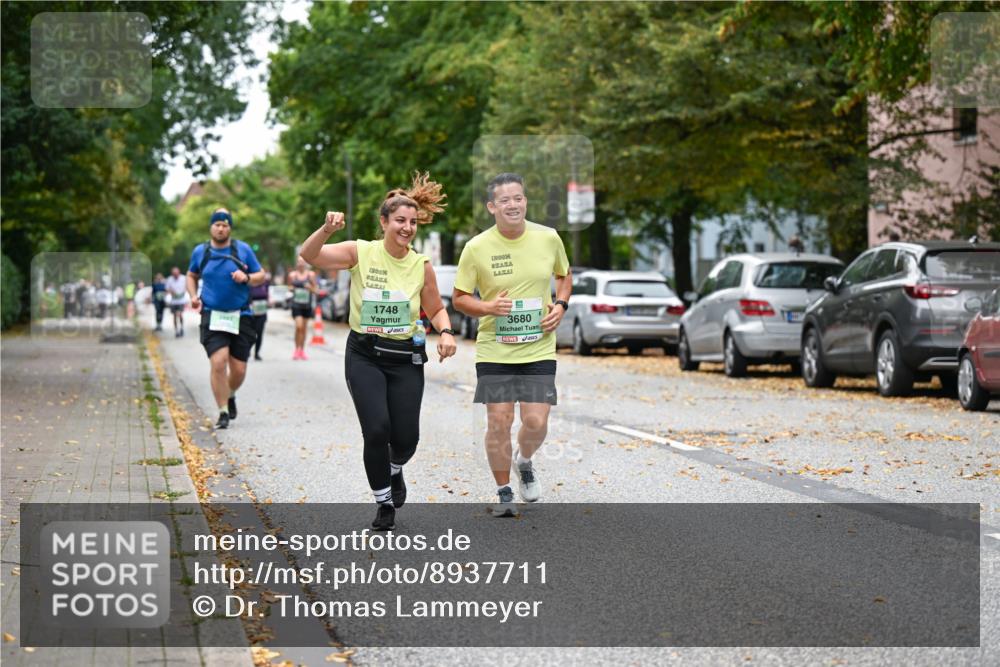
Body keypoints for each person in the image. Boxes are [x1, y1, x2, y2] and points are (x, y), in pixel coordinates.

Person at [300, 173, 456, 531]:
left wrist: (446, 331)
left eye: (412, 222)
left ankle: (395, 467)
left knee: (406, 439)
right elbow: (309, 255)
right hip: (365, 355)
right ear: (384, 222)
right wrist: (327, 229)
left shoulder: (421, 265)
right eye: (400, 220)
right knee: (376, 430)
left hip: (405, 359)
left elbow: (435, 308)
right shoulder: (361, 252)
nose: (407, 228)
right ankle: (384, 503)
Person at [453, 173, 571, 517]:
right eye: (504, 200)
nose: (513, 205)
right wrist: (488, 307)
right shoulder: (476, 247)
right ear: (492, 207)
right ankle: (504, 493)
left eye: (518, 198)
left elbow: (564, 275)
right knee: (499, 421)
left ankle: (525, 460)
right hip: (495, 347)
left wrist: (561, 305)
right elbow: (459, 298)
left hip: (538, 346)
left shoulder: (548, 237)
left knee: (535, 421)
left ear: (525, 202)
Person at [186, 208, 265, 430]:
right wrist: (193, 296)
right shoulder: (201, 252)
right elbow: (191, 275)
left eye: (225, 225)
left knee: (238, 370)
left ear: (230, 228)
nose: (221, 228)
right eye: (217, 225)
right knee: (218, 362)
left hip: (241, 315)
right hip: (213, 315)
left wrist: (246, 277)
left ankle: (230, 394)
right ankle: (222, 411)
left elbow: (261, 276)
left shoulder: (243, 250)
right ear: (211, 227)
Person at [287, 257, 319, 360]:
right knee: (299, 327)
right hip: (296, 305)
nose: (301, 263)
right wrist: (293, 288)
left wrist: (310, 288)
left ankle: (302, 350)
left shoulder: (311, 275)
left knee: (304, 329)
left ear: (306, 263)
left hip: (306, 306)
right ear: (297, 263)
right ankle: (296, 349)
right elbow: (289, 287)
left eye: (302, 262)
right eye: (299, 262)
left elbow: (316, 290)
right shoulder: (292, 275)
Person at [249, 272, 271, 361]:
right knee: (251, 333)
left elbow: (268, 295)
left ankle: (257, 353)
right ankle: (247, 350)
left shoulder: (265, 283)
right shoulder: (250, 283)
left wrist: (269, 302)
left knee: (259, 332)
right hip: (251, 312)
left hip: (262, 312)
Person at [165, 266, 189, 337]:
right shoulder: (169, 279)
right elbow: (167, 289)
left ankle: (181, 327)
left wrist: (184, 292)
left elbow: (187, 286)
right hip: (173, 301)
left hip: (181, 300)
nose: (175, 275)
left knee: (180, 314)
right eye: (174, 274)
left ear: (179, 272)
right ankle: (176, 330)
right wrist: (171, 292)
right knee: (174, 316)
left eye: (176, 273)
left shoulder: (183, 278)